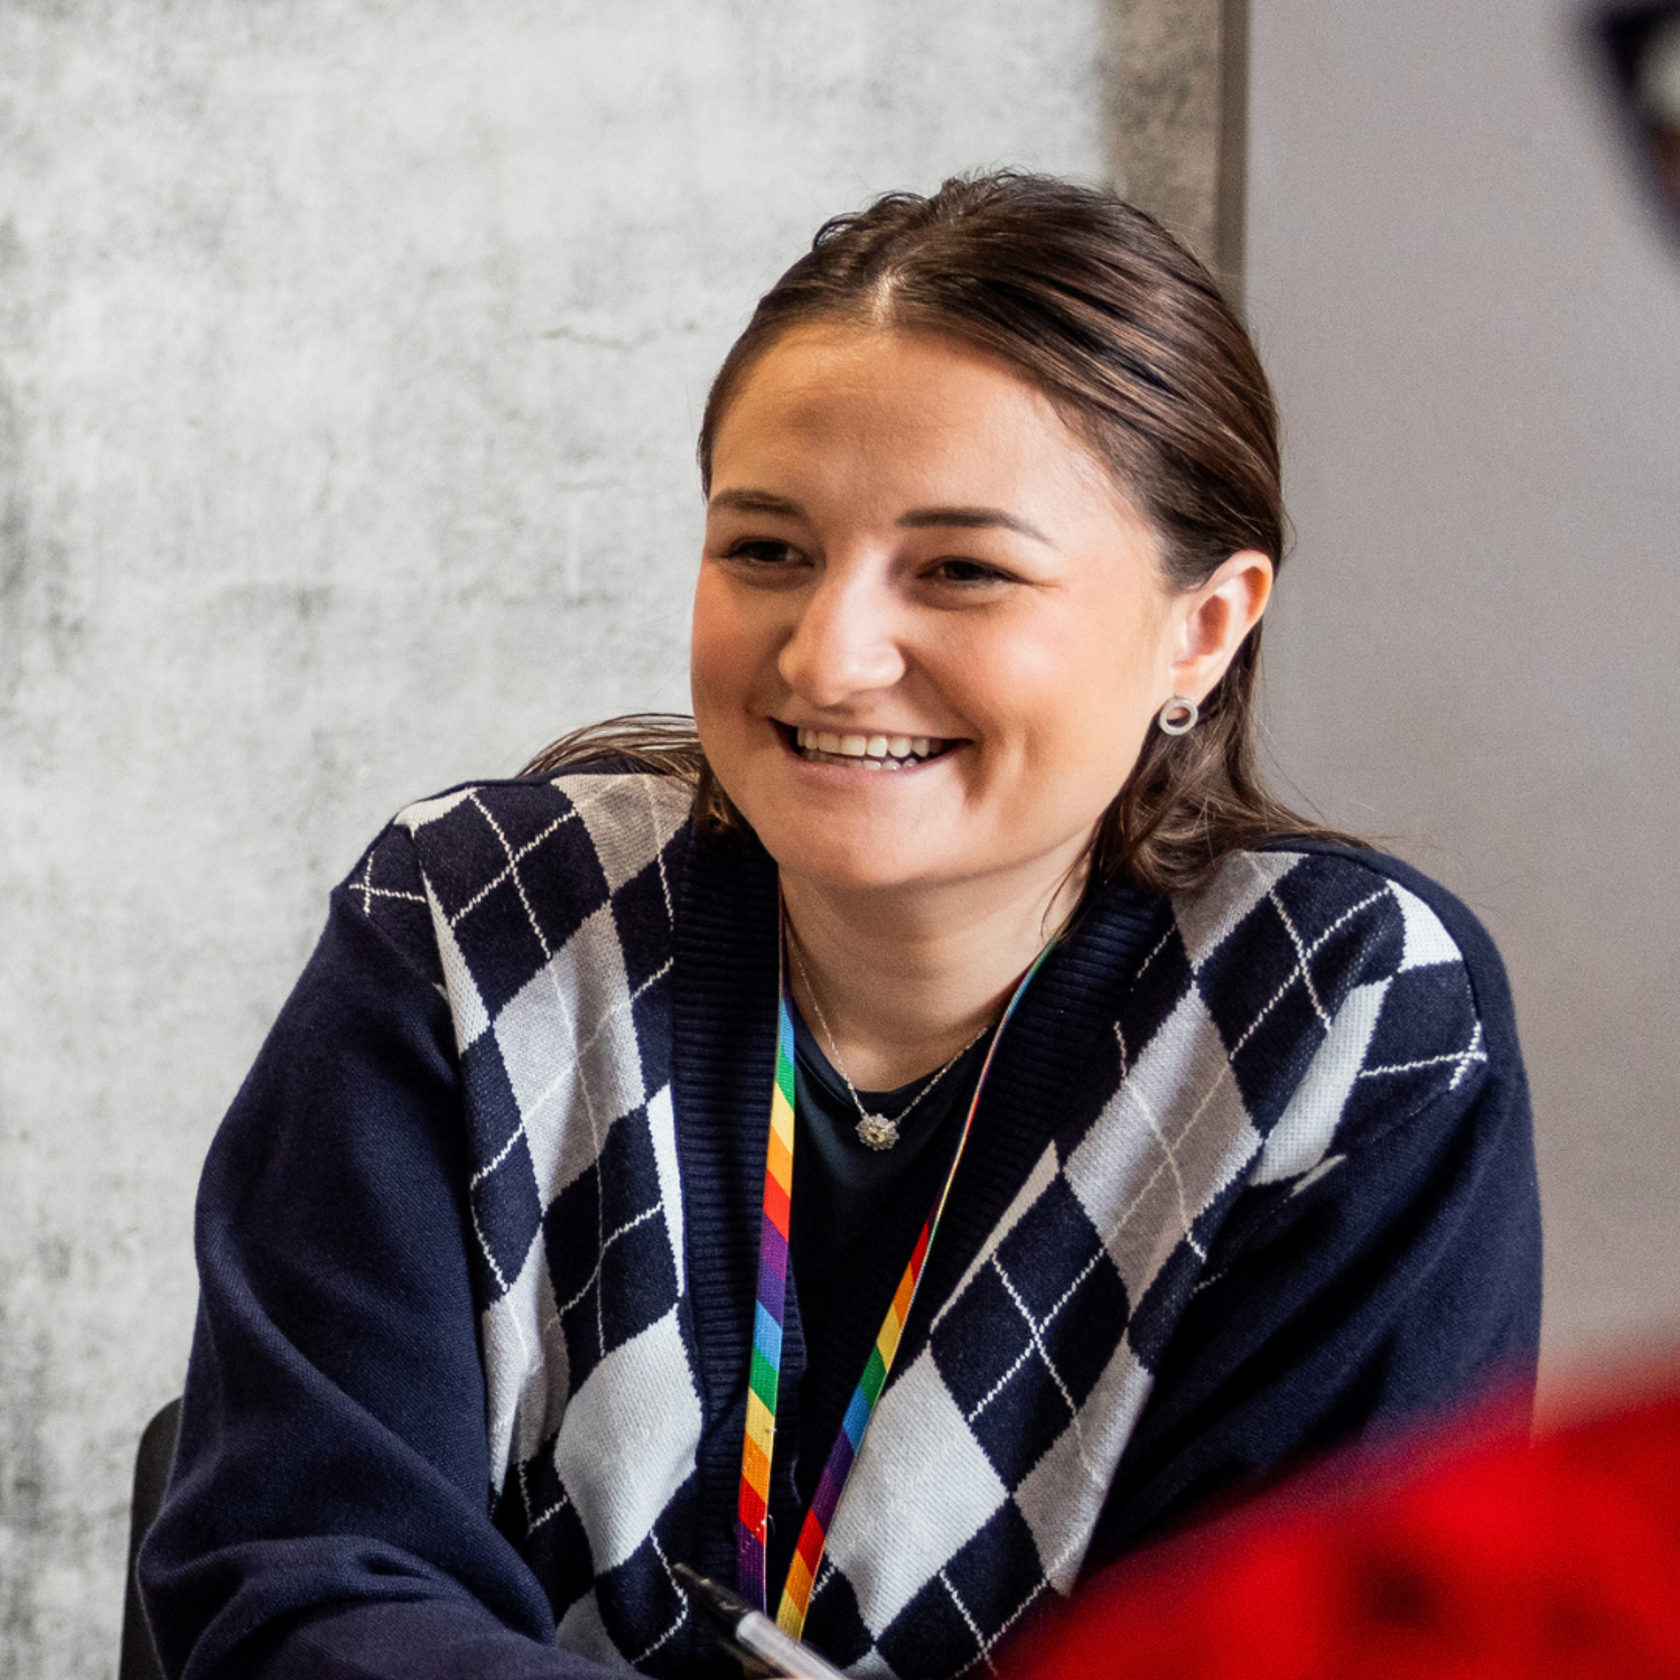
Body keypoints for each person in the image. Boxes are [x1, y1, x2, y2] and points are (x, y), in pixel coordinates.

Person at [139, 172, 1541, 1680]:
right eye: (767, 551)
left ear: (1202, 626)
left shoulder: (1345, 1020)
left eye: (962, 571)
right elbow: (290, 1584)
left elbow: (1313, 1652)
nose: (830, 653)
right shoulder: (470, 922)